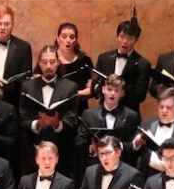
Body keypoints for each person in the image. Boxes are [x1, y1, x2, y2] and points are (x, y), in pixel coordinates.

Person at [20, 45, 80, 173]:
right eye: (44, 62)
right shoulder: (27, 86)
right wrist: (37, 124)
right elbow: (22, 118)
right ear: (39, 63)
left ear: (58, 62)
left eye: (52, 62)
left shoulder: (70, 87)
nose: (48, 66)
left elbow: (73, 120)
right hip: (32, 151)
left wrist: (57, 123)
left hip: (61, 152)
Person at [75, 74, 140, 172]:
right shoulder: (88, 114)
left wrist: (118, 146)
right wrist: (90, 148)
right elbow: (79, 140)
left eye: (116, 90)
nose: (112, 93)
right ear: (103, 90)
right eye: (109, 89)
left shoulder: (131, 116)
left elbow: (132, 146)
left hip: (121, 168)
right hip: (94, 167)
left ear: (121, 93)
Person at [133, 88, 174, 175]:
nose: (164, 110)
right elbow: (133, 153)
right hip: (146, 174)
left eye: (169, 107)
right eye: (161, 106)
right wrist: (136, 144)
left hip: (173, 176)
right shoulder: (146, 123)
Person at [95, 17, 150, 110]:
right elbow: (97, 85)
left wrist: (120, 92)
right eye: (122, 37)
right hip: (104, 110)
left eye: (130, 38)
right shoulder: (104, 58)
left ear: (136, 40)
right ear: (117, 36)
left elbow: (140, 95)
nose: (125, 41)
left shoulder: (142, 64)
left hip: (129, 111)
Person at [54, 23, 95, 102]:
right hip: (55, 107)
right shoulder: (50, 60)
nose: (68, 40)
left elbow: (91, 89)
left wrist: (73, 94)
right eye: (64, 36)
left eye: (72, 37)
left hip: (79, 106)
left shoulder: (84, 61)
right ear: (58, 39)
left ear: (76, 40)